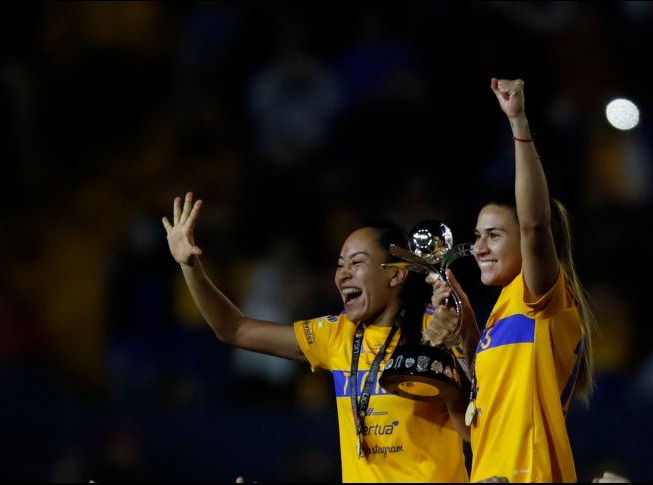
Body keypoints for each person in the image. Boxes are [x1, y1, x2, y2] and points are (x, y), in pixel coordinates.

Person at [161, 193, 472, 483]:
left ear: (396, 274)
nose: (343, 274)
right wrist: (190, 266)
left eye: (357, 262)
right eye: (340, 265)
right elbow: (234, 329)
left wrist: (452, 347)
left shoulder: (439, 328)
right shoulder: (336, 335)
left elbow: (473, 429)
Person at [426, 78, 597, 483]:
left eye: (495, 235)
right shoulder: (501, 315)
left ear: (527, 242)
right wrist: (466, 323)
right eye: (478, 234)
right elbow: (483, 419)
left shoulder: (540, 297)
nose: (479, 247)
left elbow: (536, 225)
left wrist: (518, 122)